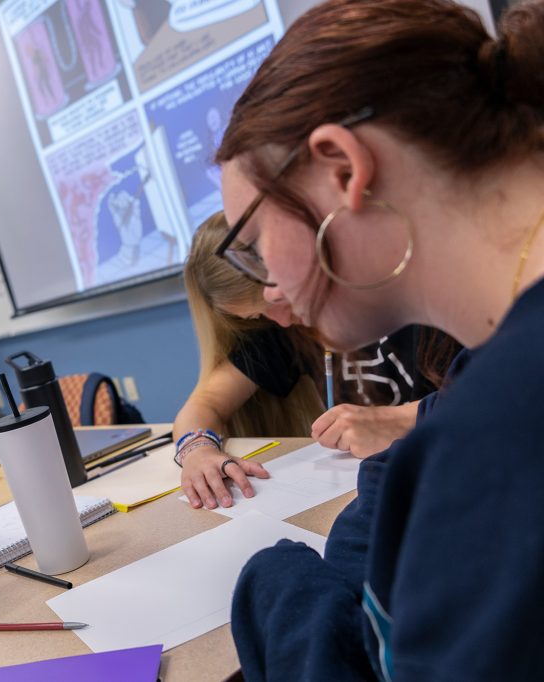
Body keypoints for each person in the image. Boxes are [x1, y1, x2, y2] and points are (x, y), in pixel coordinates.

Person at [211, 0, 544, 678]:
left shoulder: (501, 429)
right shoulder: (484, 392)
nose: (269, 282)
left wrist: (275, 586)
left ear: (342, 169)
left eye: (253, 243)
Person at [174, 212, 455, 510]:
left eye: (281, 300)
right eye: (259, 316)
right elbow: (206, 401)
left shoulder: (425, 289)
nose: (282, 321)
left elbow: (500, 388)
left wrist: (404, 419)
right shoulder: (287, 331)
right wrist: (197, 449)